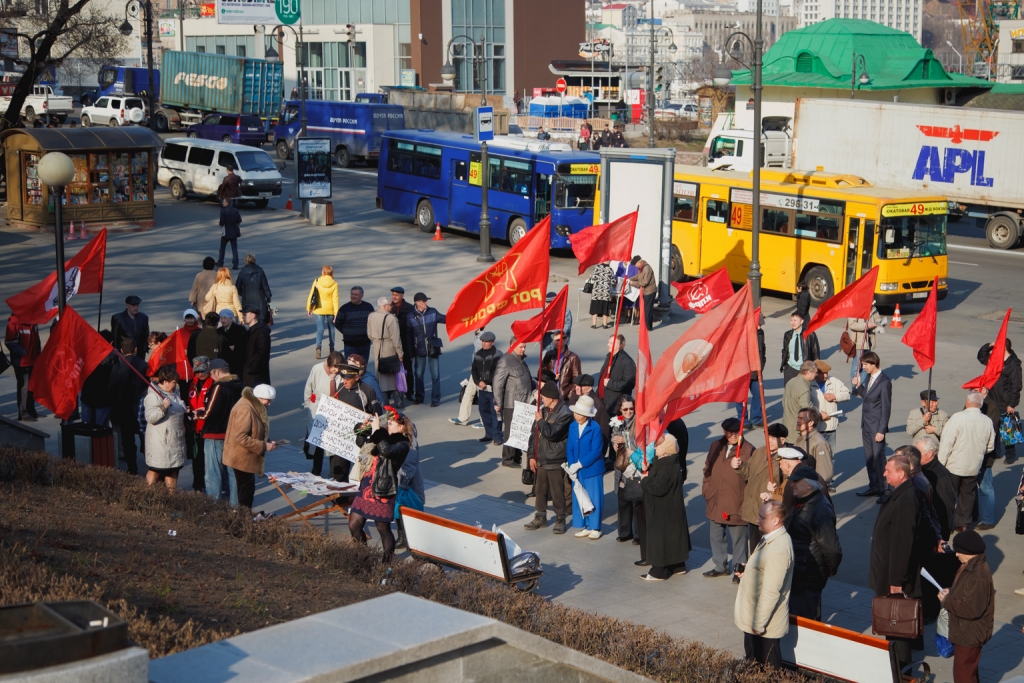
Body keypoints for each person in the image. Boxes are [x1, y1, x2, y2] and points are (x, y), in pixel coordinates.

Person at [869, 454, 927, 673]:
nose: (884, 473)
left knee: (897, 627)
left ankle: (901, 673)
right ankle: (896, 669)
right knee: (893, 628)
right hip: (892, 574)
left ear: (901, 474)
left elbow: (903, 544)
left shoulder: (906, 499)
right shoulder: (903, 492)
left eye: (888, 470)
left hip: (896, 578)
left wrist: (896, 581)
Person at [734, 500, 793, 669]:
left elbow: (771, 591)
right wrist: (748, 572)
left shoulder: (779, 548)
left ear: (775, 520)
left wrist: (758, 623)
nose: (757, 520)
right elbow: (764, 572)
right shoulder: (770, 538)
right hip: (757, 621)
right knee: (753, 665)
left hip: (763, 625)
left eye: (762, 517)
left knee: (766, 669)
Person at [348, 411, 412, 562]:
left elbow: (386, 450)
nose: (387, 426)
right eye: (387, 423)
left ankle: (387, 563)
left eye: (391, 423)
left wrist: (377, 430)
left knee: (382, 528)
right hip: (366, 487)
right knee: (354, 524)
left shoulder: (403, 444)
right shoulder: (383, 436)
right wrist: (364, 428)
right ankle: (362, 558)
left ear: (402, 427)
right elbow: (361, 442)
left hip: (383, 488)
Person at [938, 530, 994, 683]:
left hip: (969, 634)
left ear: (968, 552)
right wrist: (951, 591)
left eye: (959, 551)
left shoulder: (978, 574)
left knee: (963, 675)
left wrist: (947, 601)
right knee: (968, 672)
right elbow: (966, 592)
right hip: (966, 631)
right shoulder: (970, 566)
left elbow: (972, 609)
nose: (956, 555)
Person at [784, 472, 842, 621]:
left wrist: (830, 569)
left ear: (809, 485)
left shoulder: (820, 510)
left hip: (808, 573)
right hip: (799, 571)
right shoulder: (803, 502)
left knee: (807, 619)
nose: (792, 484)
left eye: (796, 481)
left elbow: (832, 548)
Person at [702, 418, 753, 583]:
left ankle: (739, 570)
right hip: (715, 499)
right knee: (716, 535)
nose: (733, 435)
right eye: (730, 432)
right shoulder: (715, 446)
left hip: (736, 501)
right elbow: (707, 468)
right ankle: (720, 565)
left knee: (738, 539)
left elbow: (752, 476)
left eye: (736, 432)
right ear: (724, 432)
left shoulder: (749, 450)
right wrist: (707, 489)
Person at [938, 392, 995, 531]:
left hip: (955, 464)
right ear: (980, 405)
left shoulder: (958, 417)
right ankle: (963, 524)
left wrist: (940, 463)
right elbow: (990, 446)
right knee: (967, 495)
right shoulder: (987, 421)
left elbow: (947, 442)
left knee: (948, 496)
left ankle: (946, 523)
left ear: (967, 402)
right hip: (974, 465)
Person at [639, 433, 690, 580]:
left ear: (666, 448)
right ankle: (678, 565)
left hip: (662, 511)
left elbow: (657, 488)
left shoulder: (667, 467)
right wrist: (648, 467)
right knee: (673, 537)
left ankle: (658, 571)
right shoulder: (668, 462)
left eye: (658, 445)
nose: (655, 447)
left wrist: (645, 480)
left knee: (660, 539)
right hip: (670, 510)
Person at [525, 382, 573, 534]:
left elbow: (552, 433)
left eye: (543, 397)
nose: (541, 400)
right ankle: (540, 516)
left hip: (555, 458)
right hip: (541, 457)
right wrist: (531, 456)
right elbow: (534, 434)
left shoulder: (564, 413)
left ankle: (560, 518)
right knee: (540, 490)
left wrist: (540, 420)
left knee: (557, 491)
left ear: (552, 398)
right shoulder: (544, 410)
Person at [223, 384, 278, 509]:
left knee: (247, 490)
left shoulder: (252, 405)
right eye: (268, 400)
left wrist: (267, 441)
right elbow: (241, 437)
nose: (269, 404)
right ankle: (243, 521)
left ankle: (243, 519)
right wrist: (264, 445)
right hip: (241, 458)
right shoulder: (245, 408)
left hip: (244, 458)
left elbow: (254, 431)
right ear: (259, 398)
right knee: (245, 492)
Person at [733, 423, 784, 552]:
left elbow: (787, 486)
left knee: (768, 549)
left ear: (783, 440)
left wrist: (776, 489)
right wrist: (738, 467)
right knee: (755, 549)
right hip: (753, 507)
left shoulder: (785, 458)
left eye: (773, 438)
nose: (770, 441)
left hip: (769, 512)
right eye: (768, 437)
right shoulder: (760, 451)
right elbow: (748, 473)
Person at [202, 358, 243, 505]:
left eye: (211, 374)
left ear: (217, 372)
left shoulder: (219, 387)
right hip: (234, 435)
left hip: (215, 434)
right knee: (233, 475)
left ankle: (214, 511)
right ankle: (235, 509)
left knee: (213, 475)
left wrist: (197, 414)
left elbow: (210, 413)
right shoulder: (240, 386)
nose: (210, 377)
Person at [852, 351, 892, 497]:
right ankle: (874, 486)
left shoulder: (885, 382)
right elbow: (867, 396)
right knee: (869, 458)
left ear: (874, 364)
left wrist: (881, 430)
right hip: (866, 425)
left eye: (866, 364)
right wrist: (858, 387)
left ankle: (885, 489)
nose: (864, 367)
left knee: (879, 458)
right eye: (863, 364)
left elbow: (886, 409)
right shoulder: (869, 377)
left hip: (876, 427)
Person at [978, 338, 1022, 464]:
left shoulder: (1013, 365)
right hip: (992, 399)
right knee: (993, 427)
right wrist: (989, 345)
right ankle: (995, 451)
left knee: (1008, 428)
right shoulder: (995, 360)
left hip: (1005, 402)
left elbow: (1016, 386)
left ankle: (1010, 454)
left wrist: (1011, 404)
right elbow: (981, 357)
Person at [567, 395, 605, 539]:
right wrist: (571, 465)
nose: (576, 416)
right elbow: (570, 447)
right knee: (580, 497)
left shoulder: (595, 428)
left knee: (593, 497)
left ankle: (595, 527)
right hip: (577, 469)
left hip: (592, 469)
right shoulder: (572, 426)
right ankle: (586, 525)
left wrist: (579, 464)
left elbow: (596, 451)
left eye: (579, 414)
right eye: (575, 412)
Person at [144, 365, 188, 490]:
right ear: (165, 381)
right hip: (160, 442)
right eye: (174, 382)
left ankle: (171, 501)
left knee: (172, 470)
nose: (176, 385)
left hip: (174, 441)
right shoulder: (153, 396)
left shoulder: (175, 394)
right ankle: (148, 496)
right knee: (155, 470)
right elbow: (150, 417)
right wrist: (163, 408)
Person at [302, 351, 345, 476]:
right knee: (318, 441)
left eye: (338, 369)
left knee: (332, 441)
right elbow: (308, 387)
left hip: (334, 410)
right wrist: (308, 404)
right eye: (334, 369)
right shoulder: (317, 369)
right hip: (318, 409)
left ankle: (334, 471)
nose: (336, 371)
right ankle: (316, 469)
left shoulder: (340, 373)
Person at [109, 337, 148, 475]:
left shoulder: (117, 367)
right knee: (145, 438)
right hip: (141, 409)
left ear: (121, 350)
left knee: (127, 440)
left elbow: (112, 389)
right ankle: (151, 465)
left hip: (123, 409)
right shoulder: (143, 365)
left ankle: (132, 468)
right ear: (136, 349)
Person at [493, 339, 533, 468]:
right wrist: (498, 402)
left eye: (524, 347)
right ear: (513, 345)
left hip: (524, 402)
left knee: (520, 431)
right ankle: (508, 459)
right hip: (512, 403)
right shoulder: (505, 360)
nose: (523, 349)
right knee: (510, 431)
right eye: (521, 347)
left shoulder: (521, 360)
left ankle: (517, 456)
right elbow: (498, 383)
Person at [407, 292, 446, 407]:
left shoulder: (433, 312)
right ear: (417, 303)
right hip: (419, 349)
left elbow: (445, 319)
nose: (426, 303)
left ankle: (435, 399)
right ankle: (419, 397)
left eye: (426, 301)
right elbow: (408, 336)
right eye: (424, 301)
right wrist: (410, 352)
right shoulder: (410, 316)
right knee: (418, 374)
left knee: (435, 374)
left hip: (433, 348)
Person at [916, 435, 956, 543]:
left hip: (936, 531)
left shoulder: (941, 476)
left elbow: (946, 508)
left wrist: (942, 536)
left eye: (918, 452)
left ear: (930, 453)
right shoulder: (922, 470)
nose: (915, 455)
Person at [367, 297, 404, 407]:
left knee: (381, 375)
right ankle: (399, 401)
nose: (391, 306)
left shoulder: (371, 316)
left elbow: (369, 334)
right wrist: (400, 353)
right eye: (389, 305)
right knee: (394, 374)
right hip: (389, 347)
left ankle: (384, 402)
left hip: (377, 347)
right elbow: (396, 338)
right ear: (384, 306)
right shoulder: (390, 318)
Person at [467, 331, 503, 445]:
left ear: (493, 342)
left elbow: (498, 372)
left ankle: (497, 436)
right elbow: (474, 370)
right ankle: (489, 433)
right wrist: (478, 382)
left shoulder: (498, 355)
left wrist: (487, 382)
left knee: (495, 413)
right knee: (484, 411)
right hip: (482, 390)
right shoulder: (478, 354)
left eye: (486, 342)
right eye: (482, 341)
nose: (484, 344)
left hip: (494, 390)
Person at [186, 356, 214, 493]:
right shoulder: (192, 384)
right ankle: (198, 485)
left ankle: (210, 486)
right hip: (194, 428)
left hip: (208, 427)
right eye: (197, 371)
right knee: (196, 460)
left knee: (209, 461)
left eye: (202, 370)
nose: (200, 374)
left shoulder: (213, 384)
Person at [5, 314, 40, 422]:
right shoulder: (14, 323)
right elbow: (10, 342)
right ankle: (24, 413)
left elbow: (36, 340)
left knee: (31, 386)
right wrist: (23, 353)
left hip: (32, 359)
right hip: (22, 362)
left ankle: (31, 410)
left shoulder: (32, 321)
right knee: (24, 387)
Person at [810, 359, 849, 454]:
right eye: (823, 373)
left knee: (831, 455)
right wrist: (819, 413)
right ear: (816, 373)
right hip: (817, 428)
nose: (826, 375)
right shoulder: (810, 385)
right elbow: (807, 404)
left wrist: (835, 396)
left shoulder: (833, 381)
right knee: (817, 455)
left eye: (827, 373)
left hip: (831, 427)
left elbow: (847, 394)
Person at [307, 265, 340, 360]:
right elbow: (335, 299)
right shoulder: (334, 284)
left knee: (320, 329)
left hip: (319, 309)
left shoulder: (317, 281)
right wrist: (336, 313)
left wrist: (309, 308)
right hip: (330, 309)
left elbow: (311, 295)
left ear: (323, 272)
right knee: (332, 329)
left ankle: (318, 348)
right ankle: (332, 349)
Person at [334, 285, 374, 360]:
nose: (353, 296)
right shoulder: (344, 309)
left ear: (361, 296)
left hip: (364, 343)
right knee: (350, 368)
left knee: (363, 367)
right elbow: (337, 323)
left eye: (356, 294)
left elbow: (373, 322)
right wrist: (346, 332)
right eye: (352, 294)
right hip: (350, 344)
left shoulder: (368, 307)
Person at [390, 286, 416, 403]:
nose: (394, 297)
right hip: (392, 344)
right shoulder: (388, 308)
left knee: (408, 370)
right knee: (392, 369)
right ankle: (392, 392)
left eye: (396, 295)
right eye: (393, 295)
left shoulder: (409, 308)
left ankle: (410, 392)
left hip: (406, 343)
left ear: (402, 296)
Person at [598, 334, 636, 412]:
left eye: (611, 343)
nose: (608, 345)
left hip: (614, 405)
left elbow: (629, 384)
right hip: (602, 402)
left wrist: (610, 384)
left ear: (620, 345)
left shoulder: (627, 362)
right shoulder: (609, 357)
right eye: (608, 342)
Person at [81, 343, 116, 426]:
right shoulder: (112, 358)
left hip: (88, 396)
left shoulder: (87, 356)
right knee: (101, 428)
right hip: (102, 398)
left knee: (86, 425)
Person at [782, 360, 818, 438]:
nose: (816, 375)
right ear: (808, 372)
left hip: (786, 425)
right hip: (797, 430)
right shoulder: (804, 389)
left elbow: (784, 402)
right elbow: (806, 412)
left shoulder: (790, 382)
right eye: (815, 372)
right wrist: (819, 414)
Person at [780, 312, 820, 385]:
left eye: (795, 320)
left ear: (801, 321)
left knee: (803, 392)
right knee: (789, 392)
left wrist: (814, 370)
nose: (793, 322)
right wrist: (785, 365)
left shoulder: (810, 334)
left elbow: (815, 353)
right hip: (790, 368)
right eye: (791, 320)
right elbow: (785, 351)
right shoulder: (788, 335)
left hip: (803, 369)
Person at [743, 312, 768, 427]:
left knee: (758, 394)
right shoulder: (744, 333)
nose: (759, 327)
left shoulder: (760, 333)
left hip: (757, 370)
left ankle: (756, 418)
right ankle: (742, 419)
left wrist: (763, 362)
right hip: (744, 371)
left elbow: (763, 349)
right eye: (758, 324)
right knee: (742, 398)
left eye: (761, 325)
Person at [797, 408, 833, 485]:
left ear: (810, 423)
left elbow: (825, 474)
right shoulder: (801, 439)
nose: (798, 421)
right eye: (798, 418)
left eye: (801, 418)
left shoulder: (819, 443)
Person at [543, 330, 581, 401]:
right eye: (554, 340)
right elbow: (542, 372)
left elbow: (577, 380)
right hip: (550, 393)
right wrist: (552, 377)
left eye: (558, 340)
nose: (555, 343)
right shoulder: (549, 355)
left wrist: (569, 395)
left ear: (565, 340)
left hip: (563, 396)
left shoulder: (573, 357)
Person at [235, 254, 272, 324]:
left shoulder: (242, 272)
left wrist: (243, 293)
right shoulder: (260, 270)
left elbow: (237, 287)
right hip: (260, 298)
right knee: (260, 318)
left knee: (248, 317)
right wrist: (268, 297)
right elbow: (265, 285)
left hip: (247, 299)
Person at [848, 306, 883, 382]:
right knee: (857, 366)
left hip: (869, 340)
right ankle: (855, 387)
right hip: (859, 342)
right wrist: (866, 326)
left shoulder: (873, 307)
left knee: (866, 365)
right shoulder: (855, 308)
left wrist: (880, 323)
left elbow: (878, 319)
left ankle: (863, 386)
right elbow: (852, 324)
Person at [242, 305, 271, 388]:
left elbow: (262, 353)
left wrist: (252, 368)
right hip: (250, 373)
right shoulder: (249, 331)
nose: (243, 317)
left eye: (245, 314)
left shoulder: (261, 332)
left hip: (256, 375)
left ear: (253, 315)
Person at [628, 256, 657, 330]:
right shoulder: (641, 268)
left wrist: (633, 283)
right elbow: (638, 276)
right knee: (647, 309)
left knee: (647, 310)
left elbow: (645, 282)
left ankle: (647, 327)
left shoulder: (646, 268)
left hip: (649, 291)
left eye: (635, 264)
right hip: (646, 291)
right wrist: (630, 279)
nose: (635, 266)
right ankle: (647, 326)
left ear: (639, 262)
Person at [588, 262, 616, 329]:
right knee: (605, 308)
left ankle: (594, 324)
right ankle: (605, 324)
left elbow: (593, 277)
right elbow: (612, 281)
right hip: (605, 293)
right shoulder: (610, 269)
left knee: (595, 307)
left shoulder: (597, 267)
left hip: (597, 292)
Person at [218, 309, 246, 376]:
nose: (223, 320)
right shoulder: (218, 331)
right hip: (224, 361)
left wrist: (235, 347)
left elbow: (243, 344)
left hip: (237, 361)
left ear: (231, 318)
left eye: (225, 318)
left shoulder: (240, 329)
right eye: (221, 318)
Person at [217, 198, 241, 269]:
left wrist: (220, 224)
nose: (222, 203)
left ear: (227, 202)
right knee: (234, 249)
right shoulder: (235, 210)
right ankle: (235, 264)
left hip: (226, 233)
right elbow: (239, 220)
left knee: (222, 248)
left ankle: (220, 262)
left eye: (223, 202)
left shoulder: (223, 211)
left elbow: (222, 222)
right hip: (233, 232)